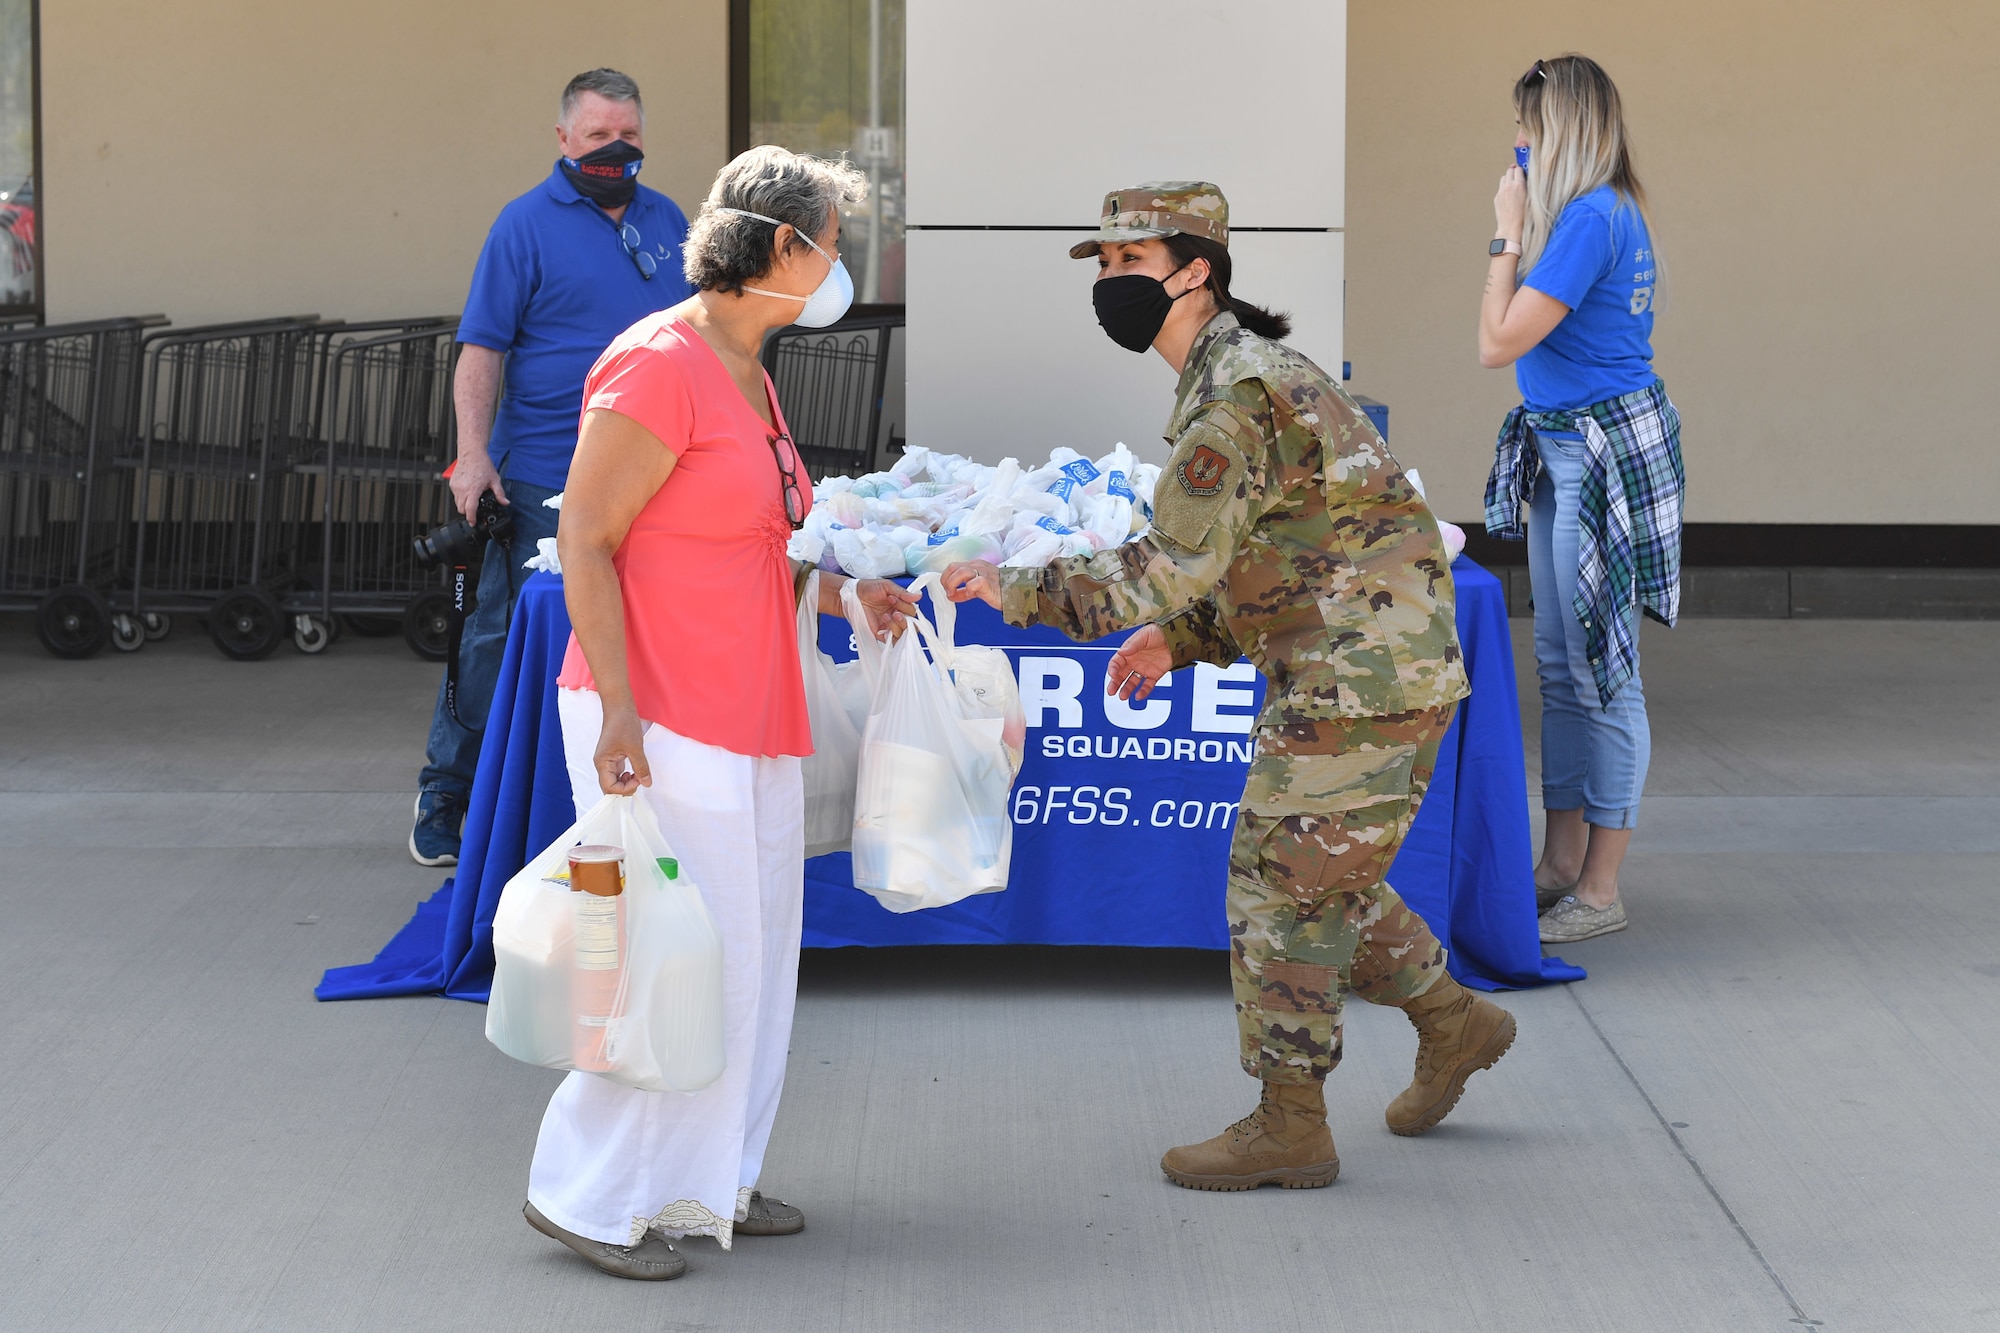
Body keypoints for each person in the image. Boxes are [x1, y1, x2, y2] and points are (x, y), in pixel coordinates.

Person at [942, 182, 1516, 1192]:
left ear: (1193, 270)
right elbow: (1275, 548)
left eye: (1128, 264)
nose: (1109, 285)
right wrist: (1182, 639)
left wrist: (1016, 588)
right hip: (1355, 659)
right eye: (1103, 268)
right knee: (1311, 874)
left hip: (1361, 672)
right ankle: (1451, 1020)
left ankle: (1291, 1126)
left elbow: (1164, 560)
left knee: (1281, 890)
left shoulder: (1232, 395)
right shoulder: (1238, 376)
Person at [522, 145, 918, 1281]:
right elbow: (586, 544)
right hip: (659, 713)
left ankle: (706, 1182)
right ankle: (592, 1196)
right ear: (777, 247)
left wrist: (844, 591)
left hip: (747, 707)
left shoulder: (748, 370)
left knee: (749, 960)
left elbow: (753, 544)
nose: (840, 264)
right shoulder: (656, 363)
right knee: (666, 965)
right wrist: (618, 717)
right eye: (831, 244)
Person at [410, 68, 695, 867]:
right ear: (564, 139)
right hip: (542, 478)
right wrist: (473, 458)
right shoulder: (523, 226)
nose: (615, 149)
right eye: (599, 135)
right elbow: (480, 353)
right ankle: (448, 793)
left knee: (636, 638)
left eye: (628, 134)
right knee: (501, 634)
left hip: (653, 478)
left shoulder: (669, 220)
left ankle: (606, 794)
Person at [1477, 55, 1684, 946]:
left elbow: (1497, 341)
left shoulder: (1593, 218)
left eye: (1527, 127)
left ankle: (1599, 886)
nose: (1516, 143)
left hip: (1598, 453)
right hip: (1566, 449)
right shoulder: (1601, 212)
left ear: (1560, 130)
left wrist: (1503, 236)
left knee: (1604, 670)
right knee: (1564, 668)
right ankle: (1560, 865)